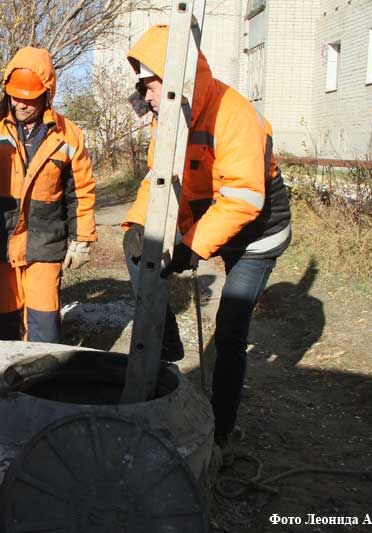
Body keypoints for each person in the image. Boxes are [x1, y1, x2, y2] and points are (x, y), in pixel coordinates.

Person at [122, 25, 292, 447]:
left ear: (176, 79)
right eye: (142, 86)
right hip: (208, 219)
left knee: (230, 326)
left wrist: (191, 247)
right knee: (139, 253)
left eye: (149, 84)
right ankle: (168, 346)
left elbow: (243, 199)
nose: (145, 96)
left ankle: (221, 430)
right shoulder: (169, 118)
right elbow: (158, 179)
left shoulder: (233, 114)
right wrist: (138, 226)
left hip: (256, 233)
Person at [0, 47, 96, 343]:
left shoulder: (68, 134)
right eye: (14, 95)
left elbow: (81, 191)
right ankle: (4, 385)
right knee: (2, 325)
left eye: (28, 97)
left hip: (44, 239)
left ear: (47, 93)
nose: (20, 104)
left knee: (44, 325)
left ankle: (41, 384)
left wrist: (82, 239)